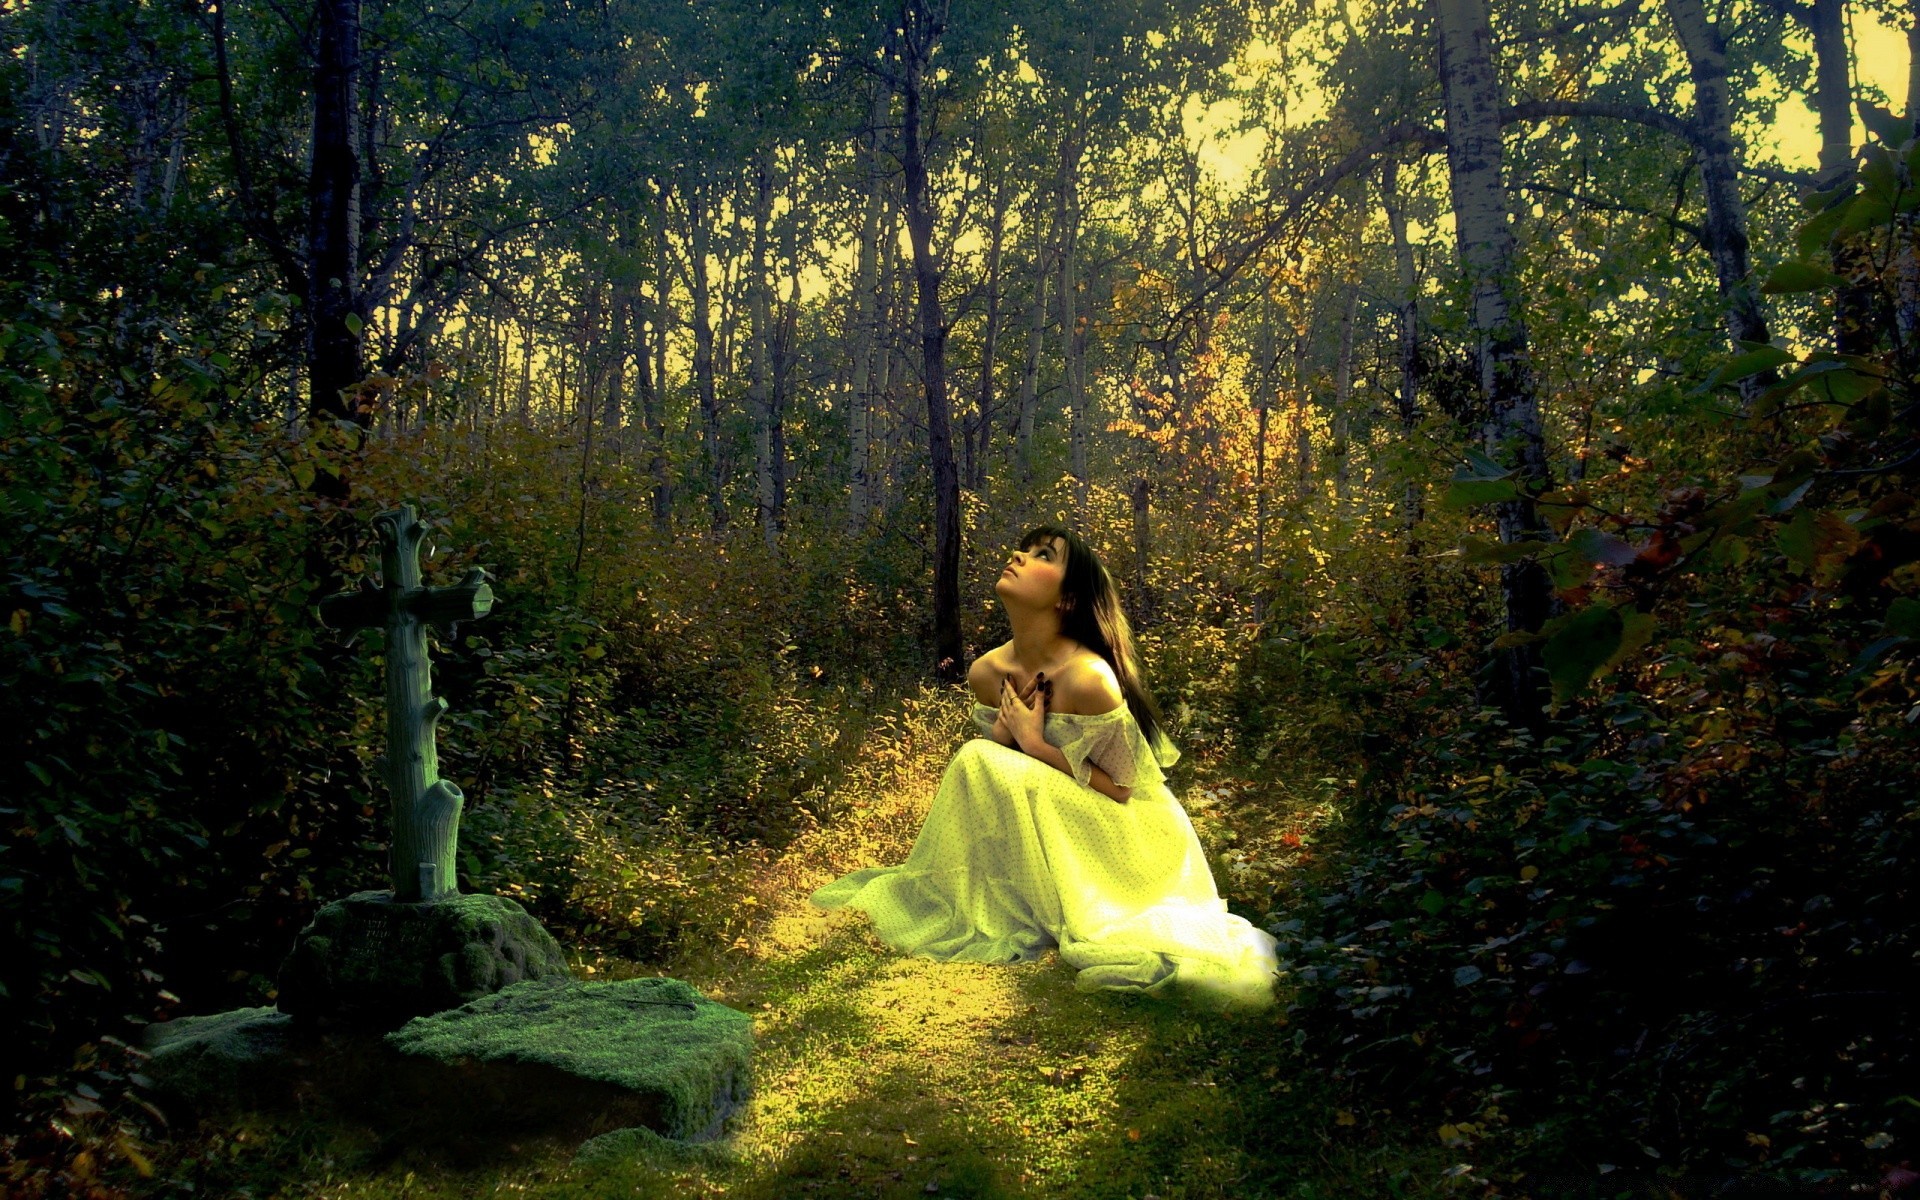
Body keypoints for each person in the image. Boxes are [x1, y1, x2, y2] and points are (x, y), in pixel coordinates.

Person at [809, 525, 1281, 1010]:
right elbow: (1004, 776)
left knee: (976, 757)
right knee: (979, 757)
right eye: (1025, 548)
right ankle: (991, 900)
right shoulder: (987, 672)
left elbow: (1122, 789)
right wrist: (1004, 738)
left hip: (1134, 836)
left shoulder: (1089, 678)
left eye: (1042, 556)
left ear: (1068, 599)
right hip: (1067, 811)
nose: (1017, 555)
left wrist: (1034, 743)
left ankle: (1044, 903)